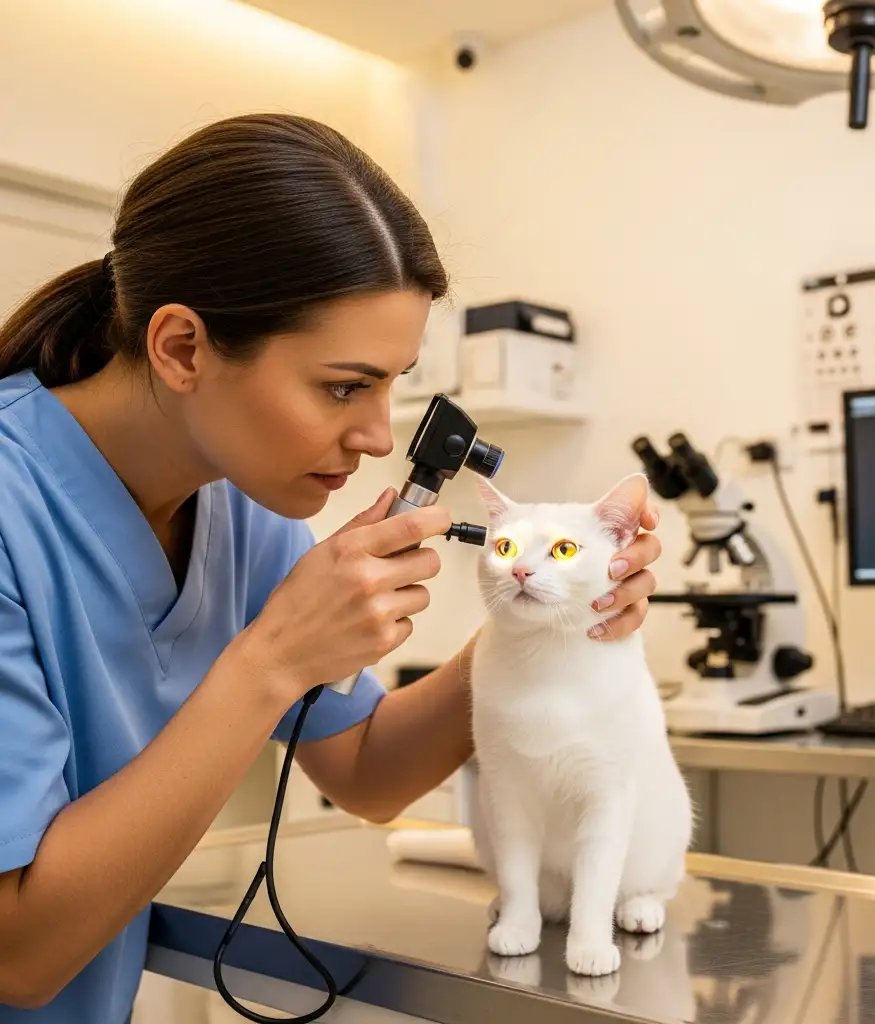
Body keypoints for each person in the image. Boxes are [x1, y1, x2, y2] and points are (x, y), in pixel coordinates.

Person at [0, 113, 662, 1021]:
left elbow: (367, 771)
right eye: (344, 386)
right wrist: (272, 660)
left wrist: (547, 625)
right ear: (183, 347)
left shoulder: (239, 505)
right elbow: (18, 953)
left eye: (393, 384)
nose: (380, 436)